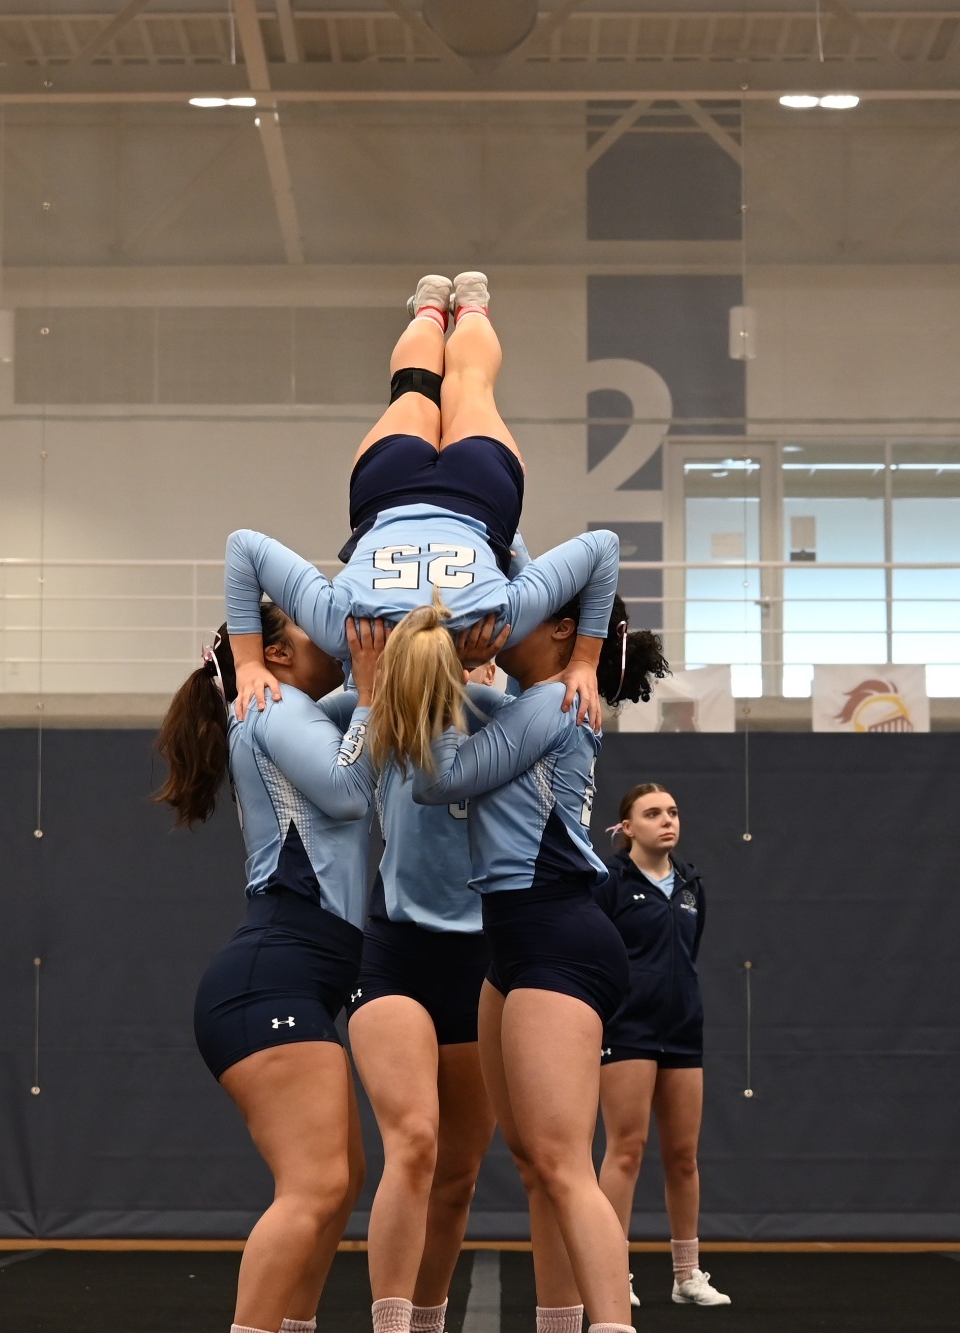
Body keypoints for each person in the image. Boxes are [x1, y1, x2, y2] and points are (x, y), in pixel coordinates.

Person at [406, 594, 668, 1333]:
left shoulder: (554, 697)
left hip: (557, 937)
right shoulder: (532, 697)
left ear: (562, 630)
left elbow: (439, 777)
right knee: (537, 1165)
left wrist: (443, 655)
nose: (503, 622)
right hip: (518, 943)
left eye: (521, 613)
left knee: (562, 1165)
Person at [223, 272, 620, 739]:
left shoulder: (496, 622)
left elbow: (601, 548)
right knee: (413, 387)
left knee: (471, 384)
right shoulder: (343, 629)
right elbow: (244, 548)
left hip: (481, 492)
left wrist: (584, 663)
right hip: (388, 489)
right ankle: (430, 309)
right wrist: (247, 662)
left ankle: (471, 304)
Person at [154, 607, 384, 1333]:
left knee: (339, 1184)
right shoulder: (271, 704)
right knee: (315, 1184)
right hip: (271, 979)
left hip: (293, 978)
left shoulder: (304, 712)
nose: (337, 636)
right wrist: (374, 689)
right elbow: (351, 789)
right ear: (277, 654)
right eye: (317, 628)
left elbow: (395, 714)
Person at [347, 661, 505, 1333]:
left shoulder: (508, 717)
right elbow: (326, 702)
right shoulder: (395, 713)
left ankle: (427, 1321)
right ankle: (391, 1327)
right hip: (395, 952)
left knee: (458, 1175)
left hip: (481, 960)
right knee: (413, 1141)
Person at [593, 783, 728, 1310]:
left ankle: (686, 1274)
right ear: (627, 827)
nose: (667, 821)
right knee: (626, 1151)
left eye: (673, 811)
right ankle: (611, 1272)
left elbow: (686, 954)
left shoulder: (692, 884)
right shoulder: (609, 883)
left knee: (683, 1156)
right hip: (627, 1031)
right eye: (652, 814)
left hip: (682, 1031)